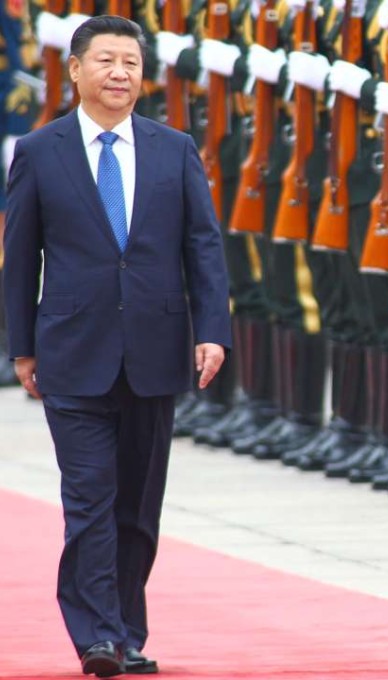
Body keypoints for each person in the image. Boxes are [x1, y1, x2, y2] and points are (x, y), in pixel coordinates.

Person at [3, 15, 231, 678]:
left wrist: (212, 328)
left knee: (137, 505)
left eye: (130, 62)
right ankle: (97, 634)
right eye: (105, 61)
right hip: (72, 351)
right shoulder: (41, 152)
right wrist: (21, 346)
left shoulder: (173, 149)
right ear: (74, 70)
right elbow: (19, 258)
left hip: (156, 351)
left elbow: (203, 244)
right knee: (90, 498)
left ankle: (127, 631)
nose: (119, 74)